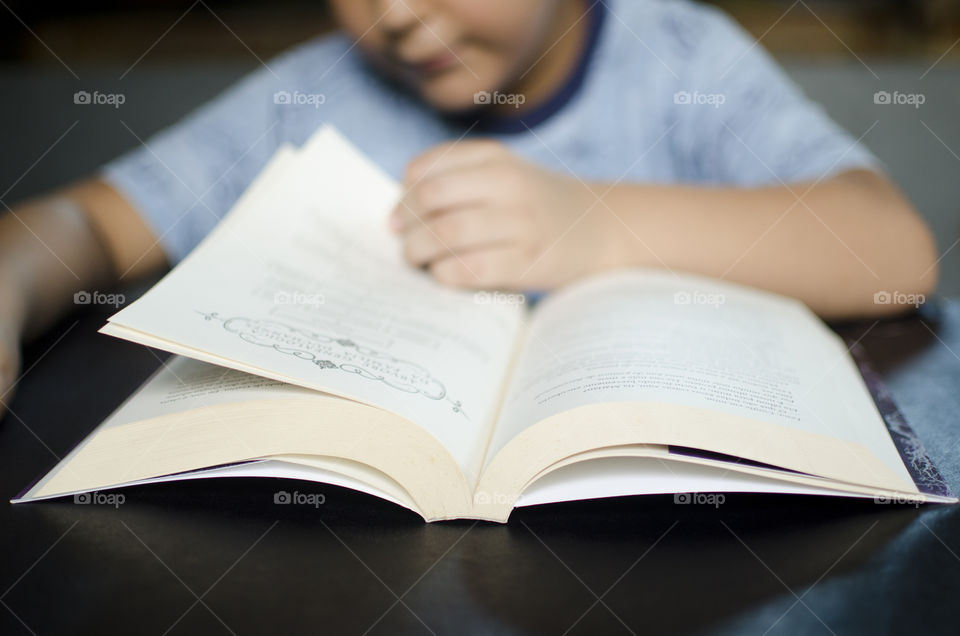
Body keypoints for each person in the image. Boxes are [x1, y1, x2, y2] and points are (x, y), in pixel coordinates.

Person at [0, 0, 938, 411]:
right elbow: (93, 221)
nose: (397, 13)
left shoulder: (681, 58)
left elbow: (893, 252)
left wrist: (594, 223)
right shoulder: (318, 89)